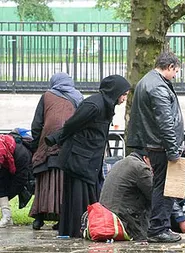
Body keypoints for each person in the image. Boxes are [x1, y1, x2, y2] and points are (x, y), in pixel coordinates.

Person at [48, 75, 130, 238]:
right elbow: (71, 125)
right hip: (79, 159)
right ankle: (78, 230)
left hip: (89, 159)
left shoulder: (105, 105)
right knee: (79, 197)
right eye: (124, 94)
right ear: (115, 92)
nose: (125, 98)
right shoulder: (94, 105)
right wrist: (57, 138)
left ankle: (87, 229)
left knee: (88, 196)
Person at [126, 51, 184, 243]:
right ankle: (159, 229)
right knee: (166, 188)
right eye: (176, 71)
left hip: (154, 144)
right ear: (169, 67)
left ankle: (160, 228)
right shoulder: (158, 87)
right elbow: (165, 122)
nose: (176, 75)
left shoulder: (147, 81)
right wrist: (173, 150)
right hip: (161, 146)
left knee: (162, 186)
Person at [29, 72, 83, 230]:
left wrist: (37, 145)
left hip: (47, 143)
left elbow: (37, 124)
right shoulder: (78, 97)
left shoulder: (46, 96)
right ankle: (61, 218)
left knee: (44, 181)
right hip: (68, 146)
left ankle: (39, 218)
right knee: (63, 183)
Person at [99, 149, 153, 241]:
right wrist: (181, 219)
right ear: (146, 159)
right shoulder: (141, 168)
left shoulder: (120, 163)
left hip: (107, 219)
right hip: (125, 223)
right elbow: (156, 196)